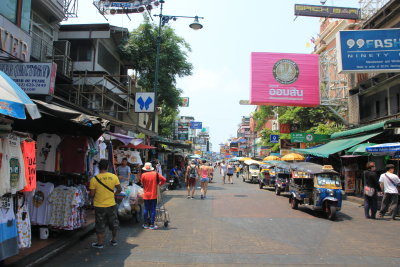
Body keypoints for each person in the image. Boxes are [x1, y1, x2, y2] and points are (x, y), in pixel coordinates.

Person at [89, 159, 122, 249]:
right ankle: (114, 240)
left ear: (99, 167)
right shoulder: (113, 177)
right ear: (108, 167)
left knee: (100, 224)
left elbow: (92, 194)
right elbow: (119, 189)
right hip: (111, 204)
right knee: (113, 223)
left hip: (99, 205)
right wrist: (113, 194)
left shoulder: (94, 179)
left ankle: (100, 243)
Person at [140, 162, 166, 229]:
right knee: (153, 210)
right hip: (153, 195)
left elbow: (142, 183)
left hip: (146, 194)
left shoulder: (143, 175)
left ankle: (145, 224)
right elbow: (164, 179)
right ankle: (152, 225)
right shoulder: (156, 174)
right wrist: (159, 184)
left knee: (146, 209)